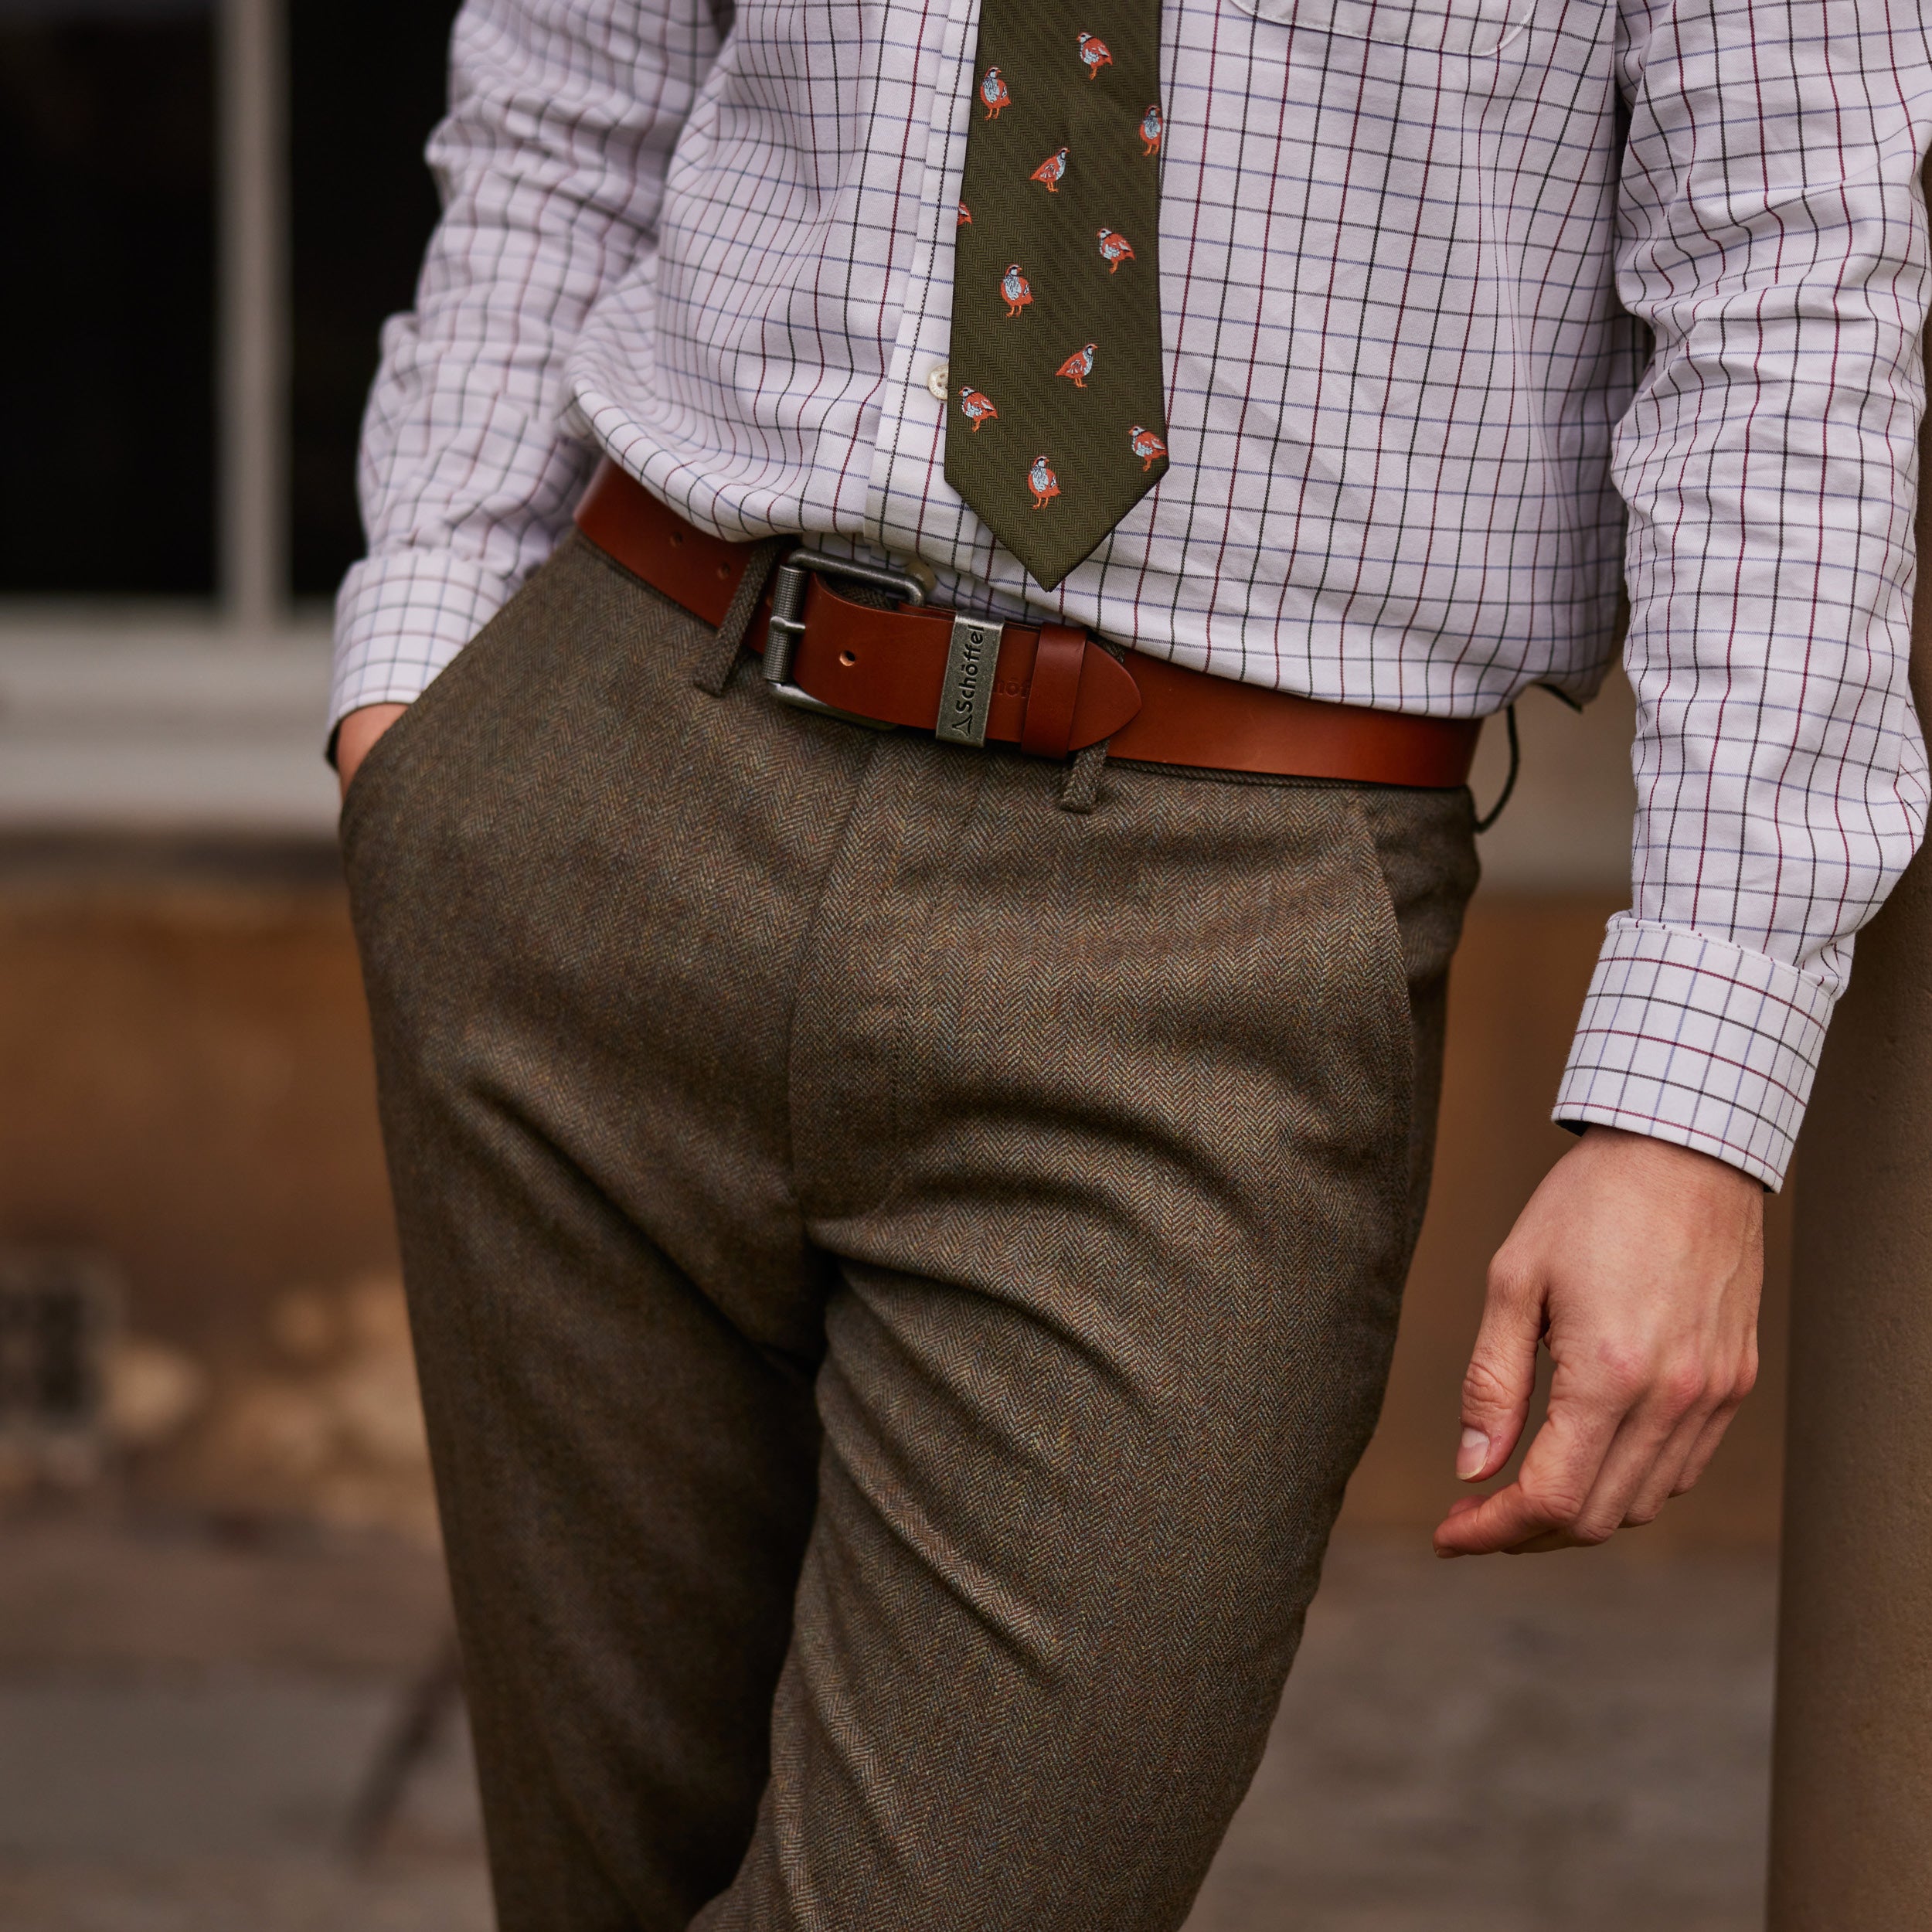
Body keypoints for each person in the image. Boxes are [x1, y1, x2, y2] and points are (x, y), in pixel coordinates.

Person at [329, 0, 1931, 1923]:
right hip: (616, 758)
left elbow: (1790, 293)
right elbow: (571, 86)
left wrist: (1693, 1100)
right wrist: (417, 682)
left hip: (1217, 918)